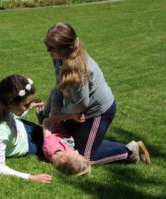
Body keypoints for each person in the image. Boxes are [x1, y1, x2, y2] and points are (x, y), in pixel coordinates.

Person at [37, 22, 151, 164]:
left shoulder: (79, 69)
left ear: (66, 48)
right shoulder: (58, 58)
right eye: (46, 44)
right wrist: (52, 112)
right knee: (72, 143)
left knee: (85, 157)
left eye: (51, 47)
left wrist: (60, 114)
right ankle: (92, 140)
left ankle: (130, 151)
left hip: (97, 112)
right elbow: (60, 85)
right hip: (79, 111)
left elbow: (81, 104)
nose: (48, 50)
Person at [0, 74, 52, 184]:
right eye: (26, 104)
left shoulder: (2, 107)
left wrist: (29, 106)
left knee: (53, 133)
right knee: (53, 145)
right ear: (11, 102)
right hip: (25, 146)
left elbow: (13, 115)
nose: (28, 105)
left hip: (23, 128)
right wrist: (30, 177)